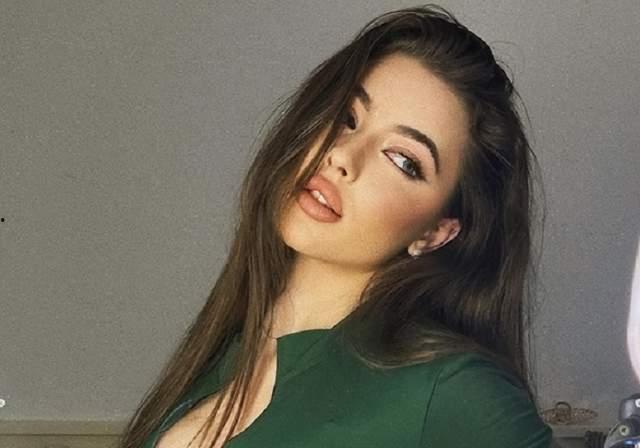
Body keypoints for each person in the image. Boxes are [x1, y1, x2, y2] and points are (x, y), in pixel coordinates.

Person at [119, 4, 553, 448]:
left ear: (436, 231)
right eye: (348, 118)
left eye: (403, 160)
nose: (343, 156)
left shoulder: (451, 390)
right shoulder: (225, 350)